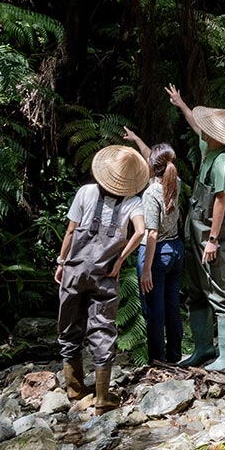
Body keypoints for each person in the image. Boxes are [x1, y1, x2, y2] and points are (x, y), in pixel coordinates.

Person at [54, 144, 149, 410]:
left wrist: (62, 262)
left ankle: (74, 390)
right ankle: (101, 398)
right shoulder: (133, 202)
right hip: (105, 274)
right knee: (102, 329)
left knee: (69, 325)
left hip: (75, 269)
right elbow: (140, 232)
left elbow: (71, 232)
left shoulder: (85, 192)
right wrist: (120, 260)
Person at [166, 83, 225, 370]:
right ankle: (202, 349)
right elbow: (195, 124)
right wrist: (181, 103)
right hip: (193, 230)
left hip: (211, 234)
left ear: (216, 135)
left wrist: (213, 239)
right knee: (196, 290)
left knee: (218, 290)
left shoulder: (223, 161)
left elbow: (220, 202)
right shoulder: (208, 147)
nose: (203, 131)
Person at [124, 127, 184, 365]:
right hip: (176, 251)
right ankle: (175, 357)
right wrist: (138, 139)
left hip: (157, 254)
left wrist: (147, 268)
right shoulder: (174, 181)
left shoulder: (151, 193)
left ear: (152, 166)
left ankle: (157, 361)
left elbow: (151, 234)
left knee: (154, 311)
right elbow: (155, 159)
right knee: (172, 306)